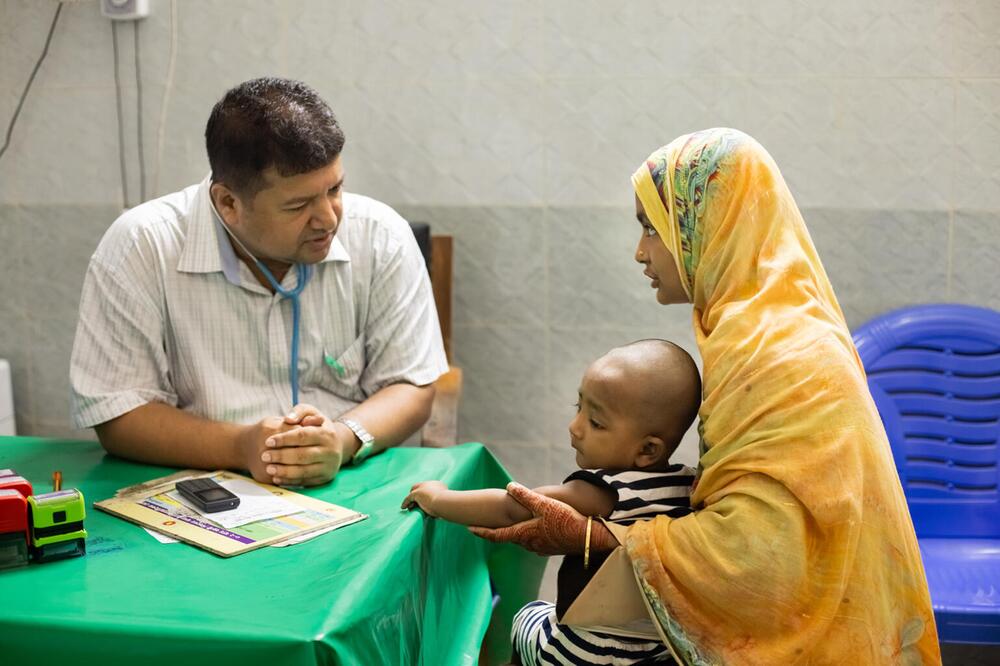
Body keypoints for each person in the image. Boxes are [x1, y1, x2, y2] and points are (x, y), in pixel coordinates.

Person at [472, 128, 942, 664]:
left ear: (710, 226)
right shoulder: (767, 318)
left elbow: (761, 553)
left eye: (653, 228)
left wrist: (596, 537)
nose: (639, 252)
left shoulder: (764, 346)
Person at [70, 78, 448, 487]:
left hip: (350, 479)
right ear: (228, 203)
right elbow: (118, 413)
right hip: (203, 486)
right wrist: (241, 446)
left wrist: (342, 439)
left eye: (335, 189)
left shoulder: (382, 235)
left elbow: (412, 384)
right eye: (299, 205)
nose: (329, 219)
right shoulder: (140, 246)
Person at [403, 339, 700, 665]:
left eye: (596, 422)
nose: (575, 428)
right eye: (578, 408)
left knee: (527, 618)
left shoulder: (602, 491)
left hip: (587, 650)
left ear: (647, 450)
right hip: (659, 649)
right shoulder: (688, 486)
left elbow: (512, 506)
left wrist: (438, 498)